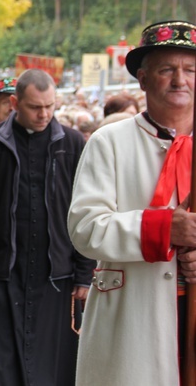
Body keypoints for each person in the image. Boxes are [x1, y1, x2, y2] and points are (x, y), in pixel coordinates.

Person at [68, 20, 196, 385]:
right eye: (167, 70)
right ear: (142, 79)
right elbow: (85, 228)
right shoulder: (109, 142)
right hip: (133, 319)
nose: (180, 80)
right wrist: (163, 228)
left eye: (190, 70)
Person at [0, 69, 95, 386]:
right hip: (2, 271)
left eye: (50, 106)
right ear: (15, 103)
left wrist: (84, 272)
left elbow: (83, 210)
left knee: (53, 363)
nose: (44, 114)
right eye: (35, 107)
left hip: (55, 273)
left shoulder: (73, 142)